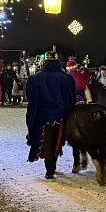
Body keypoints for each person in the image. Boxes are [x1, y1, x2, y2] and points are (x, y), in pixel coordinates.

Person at [25, 51, 77, 179]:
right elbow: (71, 98)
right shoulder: (66, 78)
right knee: (56, 141)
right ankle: (51, 168)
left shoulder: (35, 78)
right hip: (61, 115)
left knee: (47, 143)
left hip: (42, 116)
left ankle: (50, 170)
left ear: (44, 62)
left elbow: (31, 98)